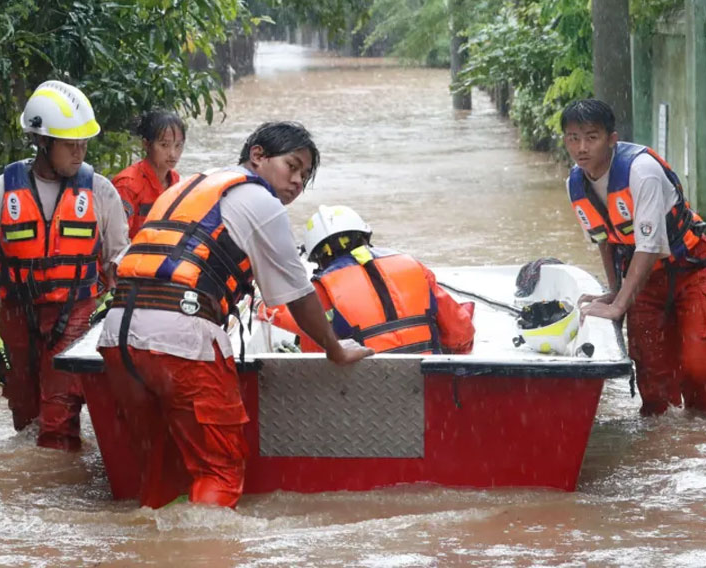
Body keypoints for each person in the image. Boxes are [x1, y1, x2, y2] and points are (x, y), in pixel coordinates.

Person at [97, 121, 374, 509]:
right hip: (182, 339)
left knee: (162, 464)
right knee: (220, 469)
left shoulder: (186, 186)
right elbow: (298, 295)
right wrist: (335, 349)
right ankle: (210, 553)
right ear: (257, 156)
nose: (296, 181)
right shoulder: (263, 203)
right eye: (292, 166)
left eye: (305, 176)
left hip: (117, 338)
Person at [0, 80, 129, 451]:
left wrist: (113, 299)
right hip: (17, 316)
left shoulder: (101, 192)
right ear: (42, 141)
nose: (80, 153)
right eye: (71, 145)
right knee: (24, 417)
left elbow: (120, 257)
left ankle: (59, 486)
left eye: (84, 144)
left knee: (58, 421)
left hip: (75, 314)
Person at [562, 98, 706, 416]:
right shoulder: (576, 182)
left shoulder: (642, 171)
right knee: (652, 388)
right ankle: (660, 451)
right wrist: (614, 290)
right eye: (573, 138)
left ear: (612, 139)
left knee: (700, 369)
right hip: (644, 280)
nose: (581, 147)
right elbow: (604, 240)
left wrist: (620, 304)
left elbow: (649, 246)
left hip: (692, 269)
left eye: (591, 137)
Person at [262, 205, 476, 355]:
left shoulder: (321, 289)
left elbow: (316, 358)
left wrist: (267, 309)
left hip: (365, 387)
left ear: (317, 256)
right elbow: (461, 333)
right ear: (365, 236)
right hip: (427, 379)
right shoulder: (412, 266)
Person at [113, 109, 185, 239]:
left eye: (178, 146)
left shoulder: (176, 181)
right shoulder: (127, 185)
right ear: (146, 145)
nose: (173, 154)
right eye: (164, 145)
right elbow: (117, 239)